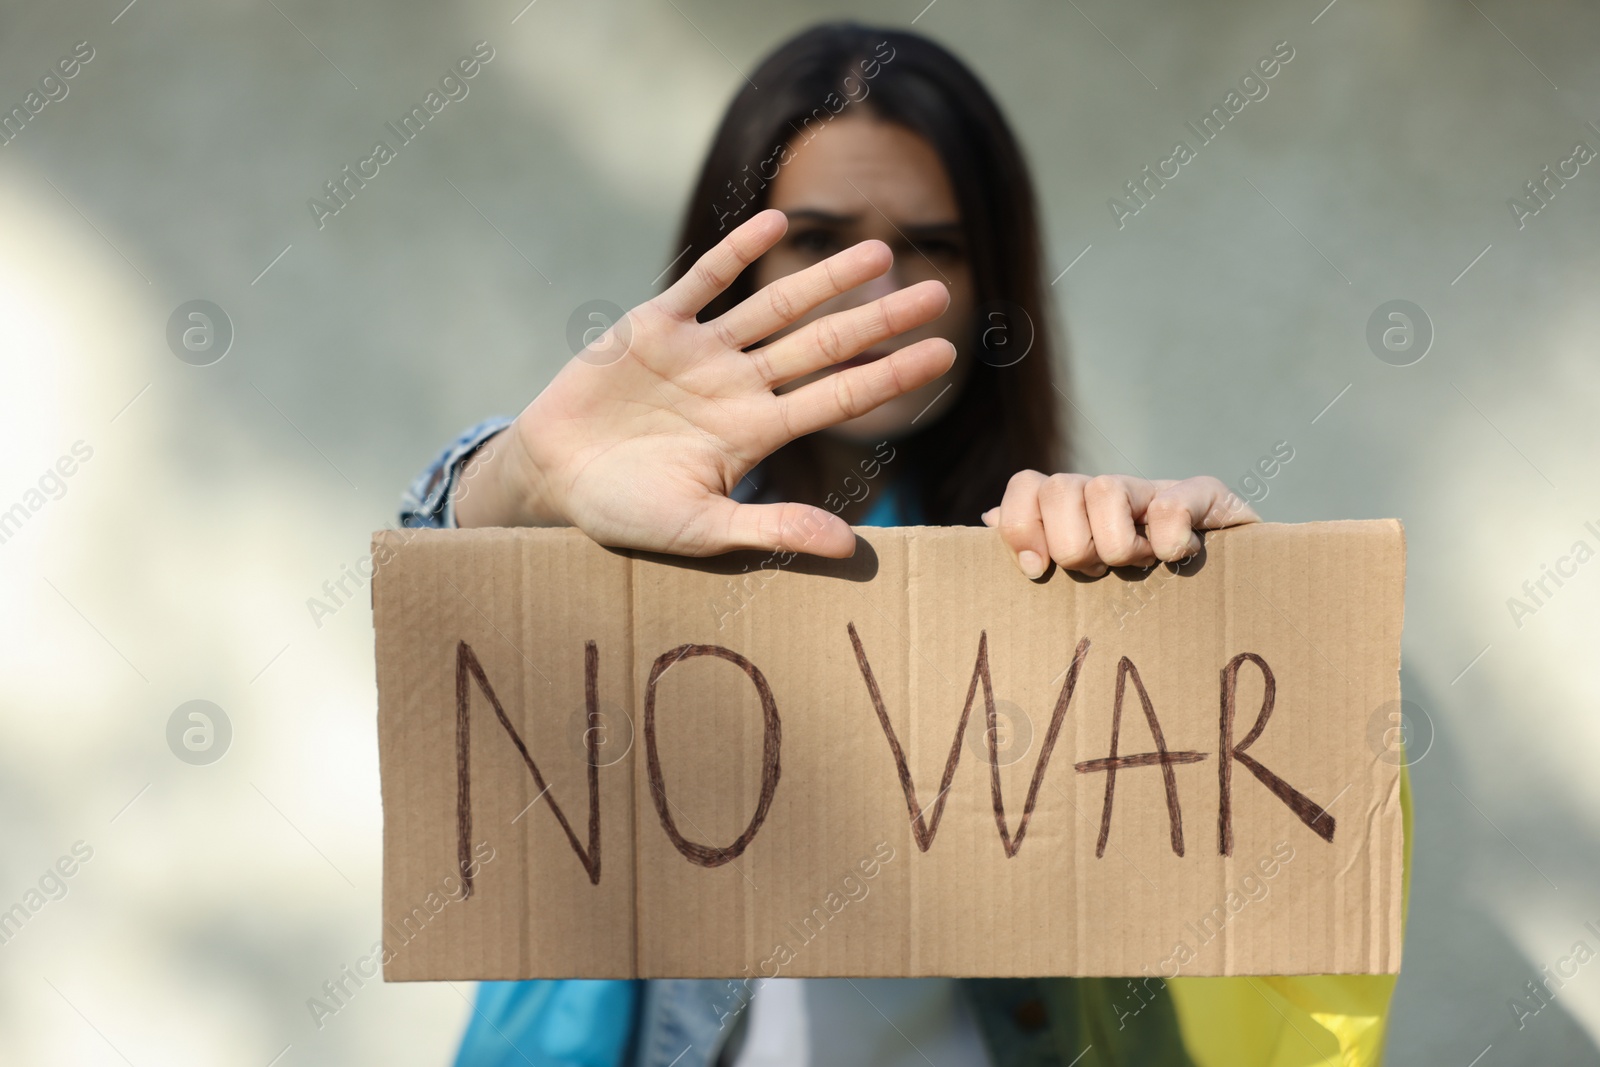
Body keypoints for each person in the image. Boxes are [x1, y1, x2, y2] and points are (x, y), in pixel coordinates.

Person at [400, 22, 1408, 1067]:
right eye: (818, 238)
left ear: (992, 290)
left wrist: (1209, 604)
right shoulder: (601, 545)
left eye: (929, 247)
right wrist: (519, 477)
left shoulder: (1058, 571)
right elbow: (446, 624)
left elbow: (1251, 952)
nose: (873, 298)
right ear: (733, 257)